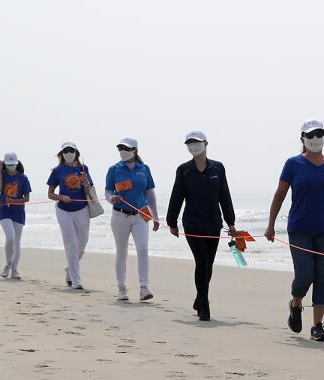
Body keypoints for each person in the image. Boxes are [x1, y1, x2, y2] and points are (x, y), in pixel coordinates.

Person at [265, 119, 324, 342]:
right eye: (310, 135)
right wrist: (271, 224)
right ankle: (296, 303)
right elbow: (280, 194)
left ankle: (317, 326)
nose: (315, 139)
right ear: (302, 138)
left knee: (322, 277)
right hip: (299, 228)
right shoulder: (293, 163)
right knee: (305, 275)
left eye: (319, 135)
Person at [166, 130, 237, 321]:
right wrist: (172, 222)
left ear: (206, 143)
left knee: (209, 265)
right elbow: (177, 196)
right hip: (192, 225)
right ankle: (204, 306)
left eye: (196, 142)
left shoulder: (217, 168)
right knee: (202, 262)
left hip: (213, 224)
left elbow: (225, 195)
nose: (193, 146)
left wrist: (231, 222)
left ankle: (199, 297)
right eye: (189, 143)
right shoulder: (184, 170)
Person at [104, 136, 159, 301]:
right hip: (119, 215)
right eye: (120, 148)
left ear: (135, 150)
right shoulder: (114, 169)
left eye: (126, 148)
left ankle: (144, 287)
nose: (123, 151)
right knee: (121, 252)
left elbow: (150, 193)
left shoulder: (144, 169)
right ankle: (122, 289)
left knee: (142, 249)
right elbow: (107, 191)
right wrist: (110, 198)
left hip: (140, 215)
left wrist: (155, 216)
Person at [46, 141, 96, 290]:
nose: (69, 153)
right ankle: (76, 280)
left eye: (71, 150)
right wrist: (62, 197)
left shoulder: (83, 168)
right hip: (63, 210)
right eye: (66, 151)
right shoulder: (57, 171)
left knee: (83, 243)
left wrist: (85, 180)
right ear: (62, 154)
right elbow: (50, 194)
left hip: (81, 209)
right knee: (71, 245)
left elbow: (88, 190)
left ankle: (70, 269)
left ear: (76, 152)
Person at [0, 152, 32, 279]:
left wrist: (14, 201)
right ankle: (8, 265)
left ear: (17, 163)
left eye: (13, 164)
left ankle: (14, 269)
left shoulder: (23, 178)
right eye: (8, 164)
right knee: (10, 237)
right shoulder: (2, 175)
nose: (11, 166)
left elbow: (26, 198)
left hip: (18, 213)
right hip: (4, 212)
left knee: (16, 241)